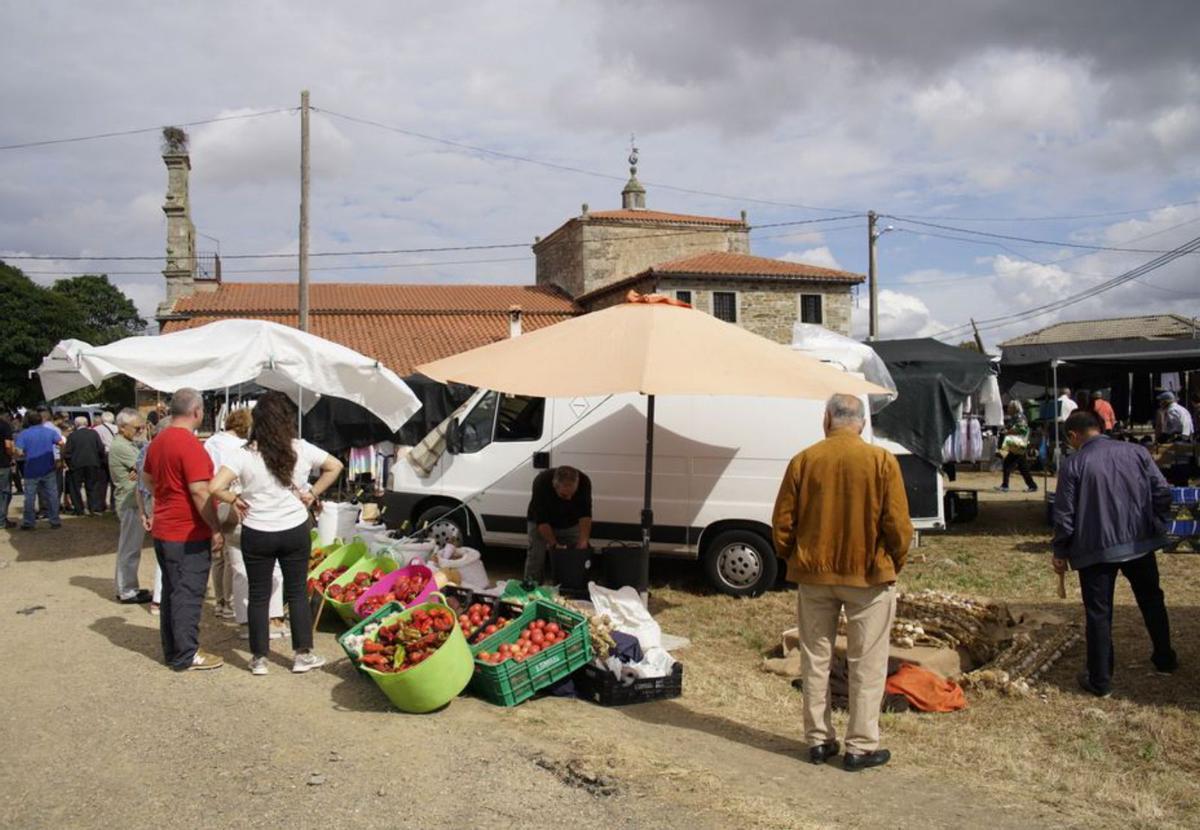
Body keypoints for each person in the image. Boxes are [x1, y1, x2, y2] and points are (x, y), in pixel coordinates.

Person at [772, 394, 912, 772]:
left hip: (814, 575)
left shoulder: (804, 460)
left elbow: (782, 524)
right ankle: (861, 746)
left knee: (815, 659)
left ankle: (818, 740)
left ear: (826, 420)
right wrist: (893, 561)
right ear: (863, 423)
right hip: (868, 576)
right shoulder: (881, 461)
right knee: (866, 662)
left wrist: (793, 556)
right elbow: (898, 525)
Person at [210, 391, 343, 675]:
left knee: (258, 594)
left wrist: (234, 499)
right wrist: (312, 493)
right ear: (287, 420)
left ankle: (259, 659)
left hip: (257, 530)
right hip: (294, 528)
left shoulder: (243, 453)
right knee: (295, 592)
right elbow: (335, 466)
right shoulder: (301, 448)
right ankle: (302, 654)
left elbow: (214, 486)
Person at [1052, 410, 1176, 697]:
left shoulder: (1074, 464)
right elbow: (1162, 490)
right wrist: (1156, 524)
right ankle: (1165, 659)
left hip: (1095, 551)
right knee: (1152, 600)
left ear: (1073, 436)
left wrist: (1060, 550)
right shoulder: (1137, 452)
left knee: (1099, 614)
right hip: (1140, 544)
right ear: (1100, 427)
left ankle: (1101, 680)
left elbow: (1064, 516)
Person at [143, 388, 225, 671]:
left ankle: (175, 651)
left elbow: (147, 478)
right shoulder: (190, 445)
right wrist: (214, 527)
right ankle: (186, 654)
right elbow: (200, 492)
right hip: (187, 532)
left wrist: (166, 496)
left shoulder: (159, 441)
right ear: (197, 412)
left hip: (165, 529)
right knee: (188, 593)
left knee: (172, 591)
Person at [203, 409, 253, 621]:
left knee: (219, 557)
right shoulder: (240, 447)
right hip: (231, 498)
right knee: (234, 557)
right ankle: (230, 602)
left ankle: (220, 602)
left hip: (212, 499)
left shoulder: (212, 441)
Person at [109, 408, 151, 604]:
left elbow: (143, 464)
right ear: (122, 427)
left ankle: (127, 586)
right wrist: (140, 468)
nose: (140, 430)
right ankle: (126, 589)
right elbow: (148, 463)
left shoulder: (127, 443)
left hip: (132, 501)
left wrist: (140, 469)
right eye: (137, 427)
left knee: (130, 546)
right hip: (130, 502)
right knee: (129, 547)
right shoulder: (121, 446)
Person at [524, 465, 592, 583]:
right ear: (554, 487)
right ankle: (531, 589)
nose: (570, 499)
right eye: (564, 495)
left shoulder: (584, 482)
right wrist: (554, 544)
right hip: (541, 521)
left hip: (570, 521)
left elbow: (585, 514)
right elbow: (542, 521)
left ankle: (569, 587)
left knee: (575, 556)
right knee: (536, 557)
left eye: (573, 494)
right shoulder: (541, 482)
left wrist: (583, 540)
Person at [13, 410, 64, 530]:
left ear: (28, 421)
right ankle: (55, 520)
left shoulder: (24, 434)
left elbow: (19, 452)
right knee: (52, 495)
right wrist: (60, 459)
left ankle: (29, 522)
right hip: (48, 468)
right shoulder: (50, 432)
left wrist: (24, 453)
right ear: (41, 420)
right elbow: (61, 443)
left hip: (31, 470)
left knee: (30, 497)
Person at [64, 415, 106, 516]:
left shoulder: (72, 436)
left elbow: (67, 452)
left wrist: (70, 464)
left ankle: (79, 509)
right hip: (93, 463)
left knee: (75, 488)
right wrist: (99, 461)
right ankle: (94, 508)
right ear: (87, 423)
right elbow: (101, 448)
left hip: (77, 464)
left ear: (76, 424)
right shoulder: (94, 433)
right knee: (92, 486)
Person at [995, 411, 1038, 493]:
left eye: (1010, 408)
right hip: (1018, 444)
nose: (1008, 409)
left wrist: (1007, 432)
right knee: (1023, 467)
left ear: (1013, 408)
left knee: (1007, 464)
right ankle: (1032, 485)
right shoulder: (1017, 416)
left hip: (1018, 444)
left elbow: (1021, 430)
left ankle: (1005, 486)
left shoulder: (1019, 417)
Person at [0, 413, 15, 528]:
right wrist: (11, 456)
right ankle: (1, 520)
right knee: (4, 492)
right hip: (2, 463)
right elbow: (8, 445)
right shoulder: (4, 425)